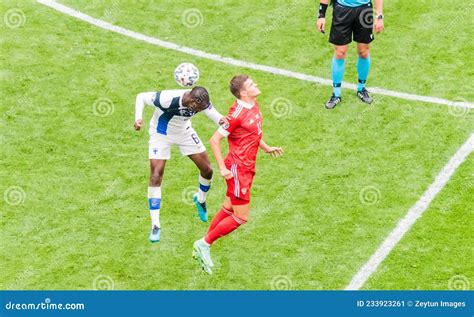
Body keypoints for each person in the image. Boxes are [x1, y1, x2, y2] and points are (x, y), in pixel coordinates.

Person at [192, 75, 283, 274]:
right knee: (241, 217)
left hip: (247, 167)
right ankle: (204, 244)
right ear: (243, 92)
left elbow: (253, 133)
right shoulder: (236, 115)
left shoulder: (253, 104)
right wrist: (222, 169)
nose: (256, 84)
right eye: (252, 84)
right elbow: (214, 140)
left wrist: (266, 147)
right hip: (237, 169)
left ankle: (204, 245)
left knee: (228, 207)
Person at [134, 86, 225, 243]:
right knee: (156, 175)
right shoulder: (167, 98)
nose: (201, 110)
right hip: (161, 134)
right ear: (191, 101)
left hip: (185, 133)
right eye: (199, 108)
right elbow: (141, 96)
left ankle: (201, 199)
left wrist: (224, 121)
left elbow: (212, 113)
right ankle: (155, 225)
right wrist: (138, 117)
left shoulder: (200, 100)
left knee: (208, 170)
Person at [316, 0, 384, 109]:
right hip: (342, 10)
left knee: (364, 52)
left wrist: (379, 16)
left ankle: (361, 88)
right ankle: (336, 94)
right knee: (339, 53)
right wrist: (321, 14)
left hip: (364, 11)